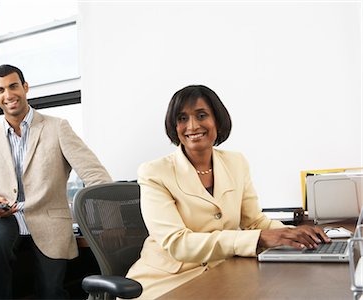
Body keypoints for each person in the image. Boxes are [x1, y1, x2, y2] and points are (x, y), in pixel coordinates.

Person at [125, 85, 330, 299]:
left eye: (201, 115)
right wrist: (259, 238)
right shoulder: (154, 172)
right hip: (168, 281)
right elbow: (177, 243)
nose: (192, 126)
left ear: (217, 120)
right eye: (182, 118)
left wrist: (294, 236)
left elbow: (255, 222)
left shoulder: (235, 162)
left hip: (222, 271)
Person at [0, 64, 112, 299]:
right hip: (5, 219)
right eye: (0, 90)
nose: (8, 95)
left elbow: (96, 175)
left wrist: (110, 222)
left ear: (25, 88)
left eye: (13, 86)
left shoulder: (57, 127)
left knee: (50, 293)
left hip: (49, 220)